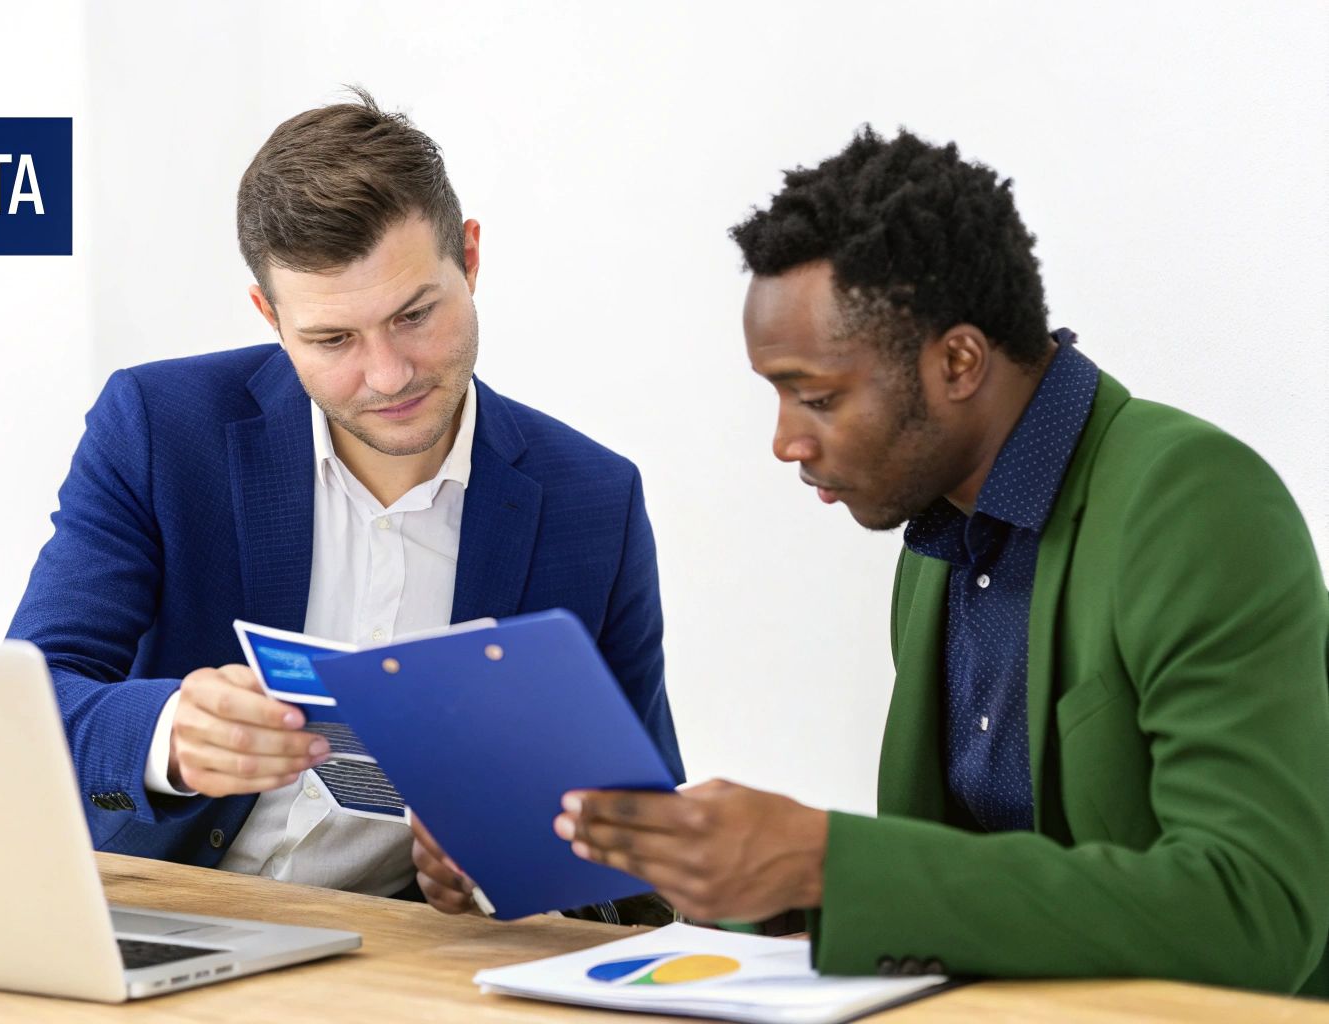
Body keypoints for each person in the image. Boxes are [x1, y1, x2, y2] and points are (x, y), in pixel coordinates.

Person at [555, 126, 1329, 994]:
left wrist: (826, 861)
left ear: (958, 360)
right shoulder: (937, 540)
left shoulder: (1194, 502)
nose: (783, 441)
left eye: (815, 396)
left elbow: (1256, 911)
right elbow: (965, 895)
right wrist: (722, 877)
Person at [9, 89, 683, 919]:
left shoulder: (593, 501)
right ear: (272, 317)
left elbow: (640, 850)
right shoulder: (159, 430)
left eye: (415, 315)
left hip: (403, 955)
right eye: (333, 340)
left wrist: (516, 873)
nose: (389, 374)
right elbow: (26, 703)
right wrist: (167, 735)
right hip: (156, 916)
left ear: (469, 259)